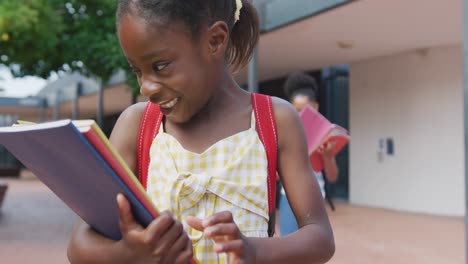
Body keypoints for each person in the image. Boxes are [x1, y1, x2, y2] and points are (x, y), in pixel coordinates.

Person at [67, 1, 335, 263]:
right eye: (137, 70)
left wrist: (255, 250)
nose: (146, 87)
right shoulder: (137, 126)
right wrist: (128, 255)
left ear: (215, 40)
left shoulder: (274, 120)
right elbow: (79, 244)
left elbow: (320, 237)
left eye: (160, 66)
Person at [278, 72, 339, 236]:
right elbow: (275, 176)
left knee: (312, 251)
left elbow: (332, 177)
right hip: (289, 199)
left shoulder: (324, 134)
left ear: (316, 107)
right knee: (289, 248)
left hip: (316, 200)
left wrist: (327, 156)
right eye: (296, 110)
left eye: (306, 110)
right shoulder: (284, 134)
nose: (300, 115)